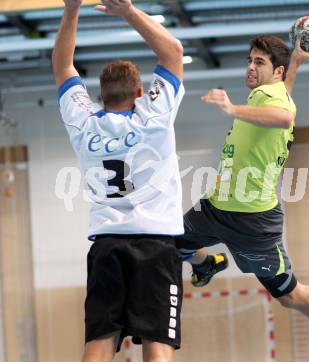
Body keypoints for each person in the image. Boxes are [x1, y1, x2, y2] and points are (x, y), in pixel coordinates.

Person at [176, 35, 309, 362]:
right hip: (216, 206)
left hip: (253, 223)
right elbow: (283, 95)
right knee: (170, 243)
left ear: (274, 71)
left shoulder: (269, 99)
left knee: (289, 296)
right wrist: (297, 63)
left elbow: (284, 116)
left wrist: (231, 107)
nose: (250, 67)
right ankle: (206, 263)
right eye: (249, 60)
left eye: (258, 62)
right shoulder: (271, 93)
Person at [52, 0, 184, 361]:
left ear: (99, 96)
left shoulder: (84, 124)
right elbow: (173, 51)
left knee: (98, 344)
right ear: (140, 94)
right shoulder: (154, 117)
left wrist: (72, 9)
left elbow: (63, 66)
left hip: (107, 244)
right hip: (156, 246)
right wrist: (127, 9)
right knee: (157, 346)